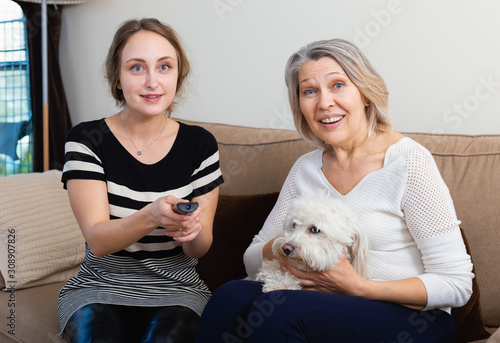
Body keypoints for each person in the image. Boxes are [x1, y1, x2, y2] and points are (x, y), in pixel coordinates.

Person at [195, 39, 473, 343]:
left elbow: (456, 284)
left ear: (365, 94)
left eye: (338, 85)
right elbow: (252, 258)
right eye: (309, 91)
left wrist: (357, 286)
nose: (324, 102)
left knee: (281, 310)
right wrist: (289, 245)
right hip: (324, 304)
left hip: (413, 319)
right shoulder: (306, 169)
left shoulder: (408, 162)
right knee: (231, 296)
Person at [57, 18, 224, 343]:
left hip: (177, 291)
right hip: (99, 290)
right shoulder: (88, 139)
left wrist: (191, 230)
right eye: (137, 68)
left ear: (178, 75)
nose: (152, 81)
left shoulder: (200, 145)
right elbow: (99, 241)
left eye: (164, 67)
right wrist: (153, 215)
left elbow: (200, 249)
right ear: (117, 78)